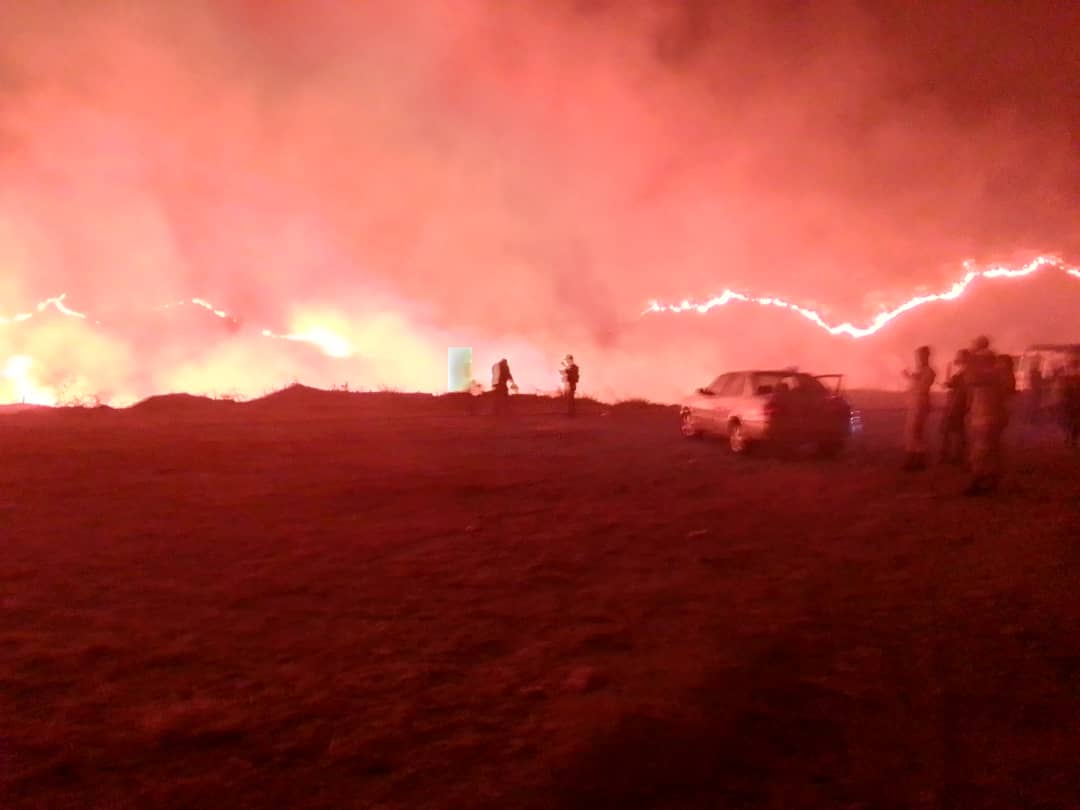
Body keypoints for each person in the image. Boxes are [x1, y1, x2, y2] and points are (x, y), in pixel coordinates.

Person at [963, 336, 1003, 496]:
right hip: (987, 415)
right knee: (988, 450)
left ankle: (979, 481)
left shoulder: (988, 373)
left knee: (980, 451)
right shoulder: (995, 372)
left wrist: (971, 357)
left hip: (985, 416)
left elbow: (970, 379)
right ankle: (990, 480)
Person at [902, 345, 936, 470]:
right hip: (915, 403)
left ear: (926, 356)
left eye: (920, 356)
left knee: (914, 432)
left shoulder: (929, 372)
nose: (918, 359)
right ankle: (913, 460)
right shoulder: (922, 372)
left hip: (919, 404)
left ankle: (917, 461)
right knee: (911, 432)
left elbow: (922, 387)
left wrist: (911, 377)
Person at [940, 349, 970, 464]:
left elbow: (949, 384)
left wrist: (948, 377)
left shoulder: (962, 374)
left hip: (955, 405)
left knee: (949, 431)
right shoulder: (966, 373)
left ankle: (951, 456)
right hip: (959, 405)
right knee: (958, 431)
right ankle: (958, 455)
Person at [1059, 351, 1080, 450]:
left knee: (1072, 423)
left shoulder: (1069, 378)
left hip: (1072, 404)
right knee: (1073, 423)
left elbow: (1065, 392)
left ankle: (1071, 439)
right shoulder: (1070, 378)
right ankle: (1071, 440)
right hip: (1073, 404)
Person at [1026, 355, 1044, 424]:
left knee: (1034, 406)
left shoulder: (1033, 373)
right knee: (1035, 406)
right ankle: (1033, 419)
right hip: (1036, 392)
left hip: (1035, 391)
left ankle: (1033, 419)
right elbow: (1037, 383)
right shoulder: (1036, 373)